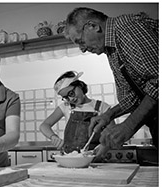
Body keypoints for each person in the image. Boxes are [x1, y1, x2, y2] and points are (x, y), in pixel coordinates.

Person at [64, 7, 158, 156]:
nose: (82, 49)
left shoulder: (128, 29)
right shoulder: (111, 47)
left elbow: (158, 81)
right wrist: (109, 115)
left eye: (80, 41)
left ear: (93, 26)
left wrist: (128, 126)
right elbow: (134, 96)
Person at [39, 71, 114, 154]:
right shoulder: (66, 107)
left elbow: (112, 133)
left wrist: (104, 146)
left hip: (95, 156)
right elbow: (44, 125)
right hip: (71, 158)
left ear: (80, 86)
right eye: (66, 97)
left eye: (71, 93)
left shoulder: (102, 107)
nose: (71, 99)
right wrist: (53, 137)